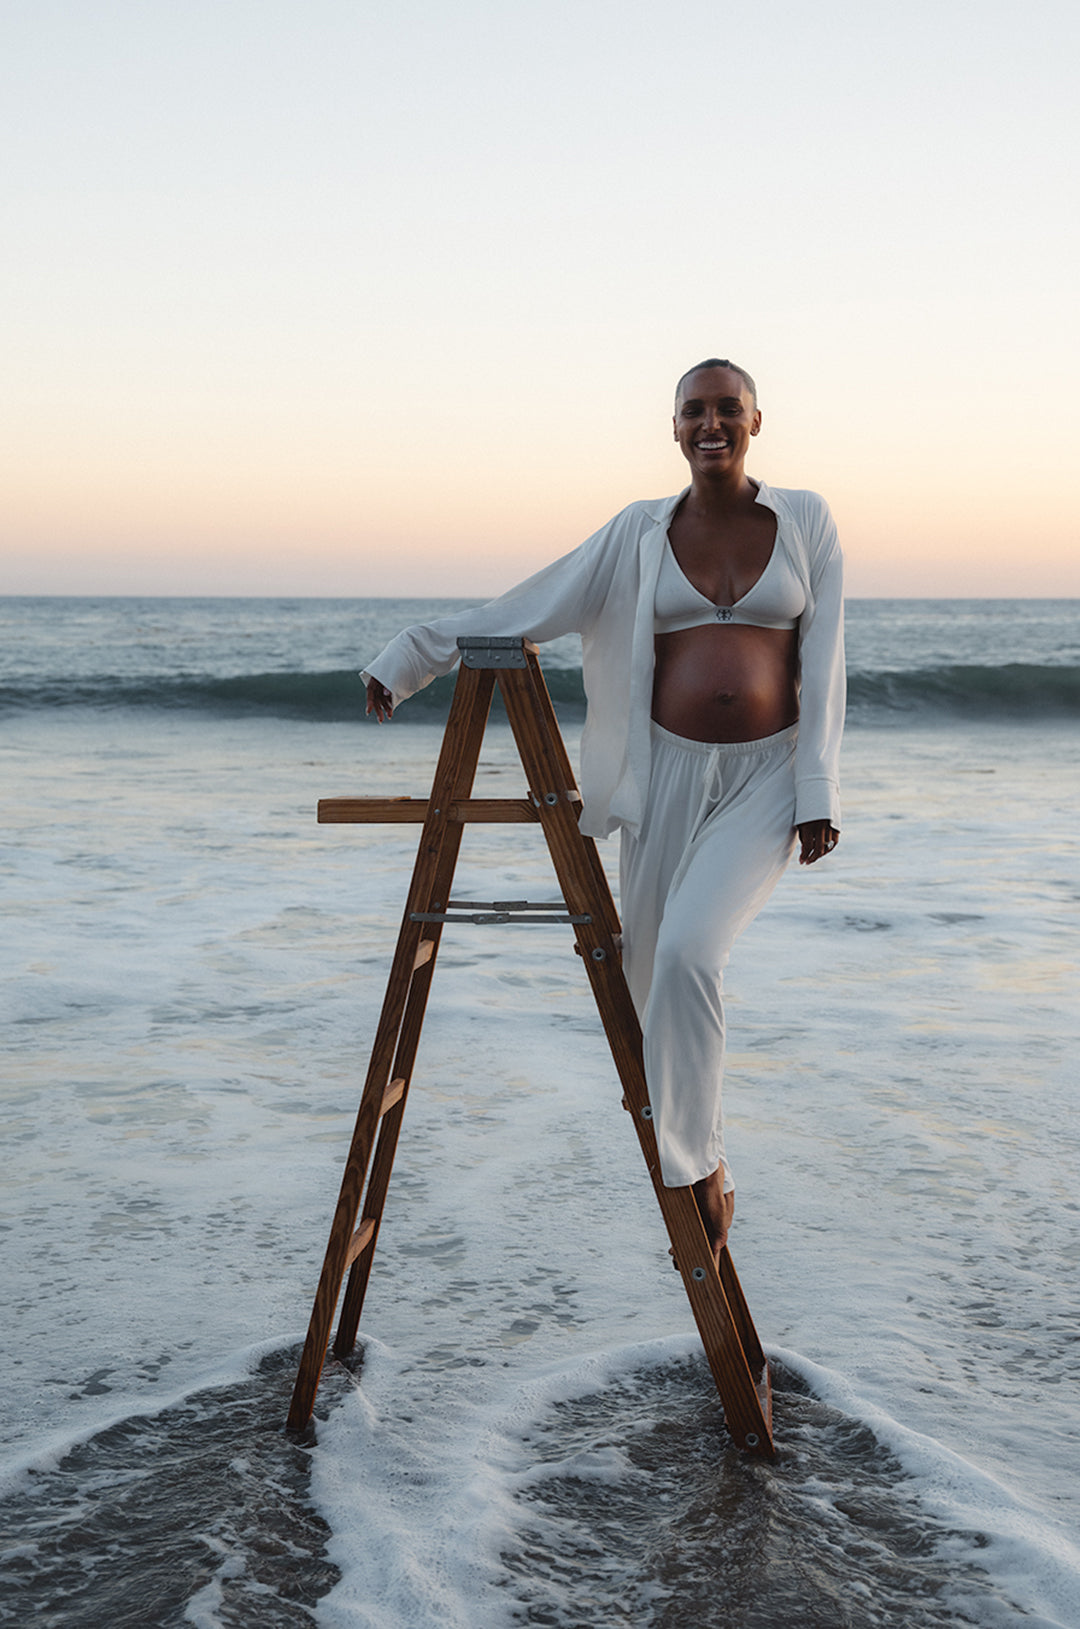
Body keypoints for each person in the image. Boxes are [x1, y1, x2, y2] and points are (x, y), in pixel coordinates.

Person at [362, 359, 844, 1266]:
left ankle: (696, 1168)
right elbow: (533, 604)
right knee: (646, 977)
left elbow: (825, 660)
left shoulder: (806, 520)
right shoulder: (638, 532)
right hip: (664, 776)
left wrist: (818, 789)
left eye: (728, 409)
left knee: (691, 951)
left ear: (756, 421)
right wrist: (412, 655)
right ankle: (707, 1151)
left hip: (765, 778)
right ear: (674, 427)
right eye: (694, 410)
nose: (711, 423)